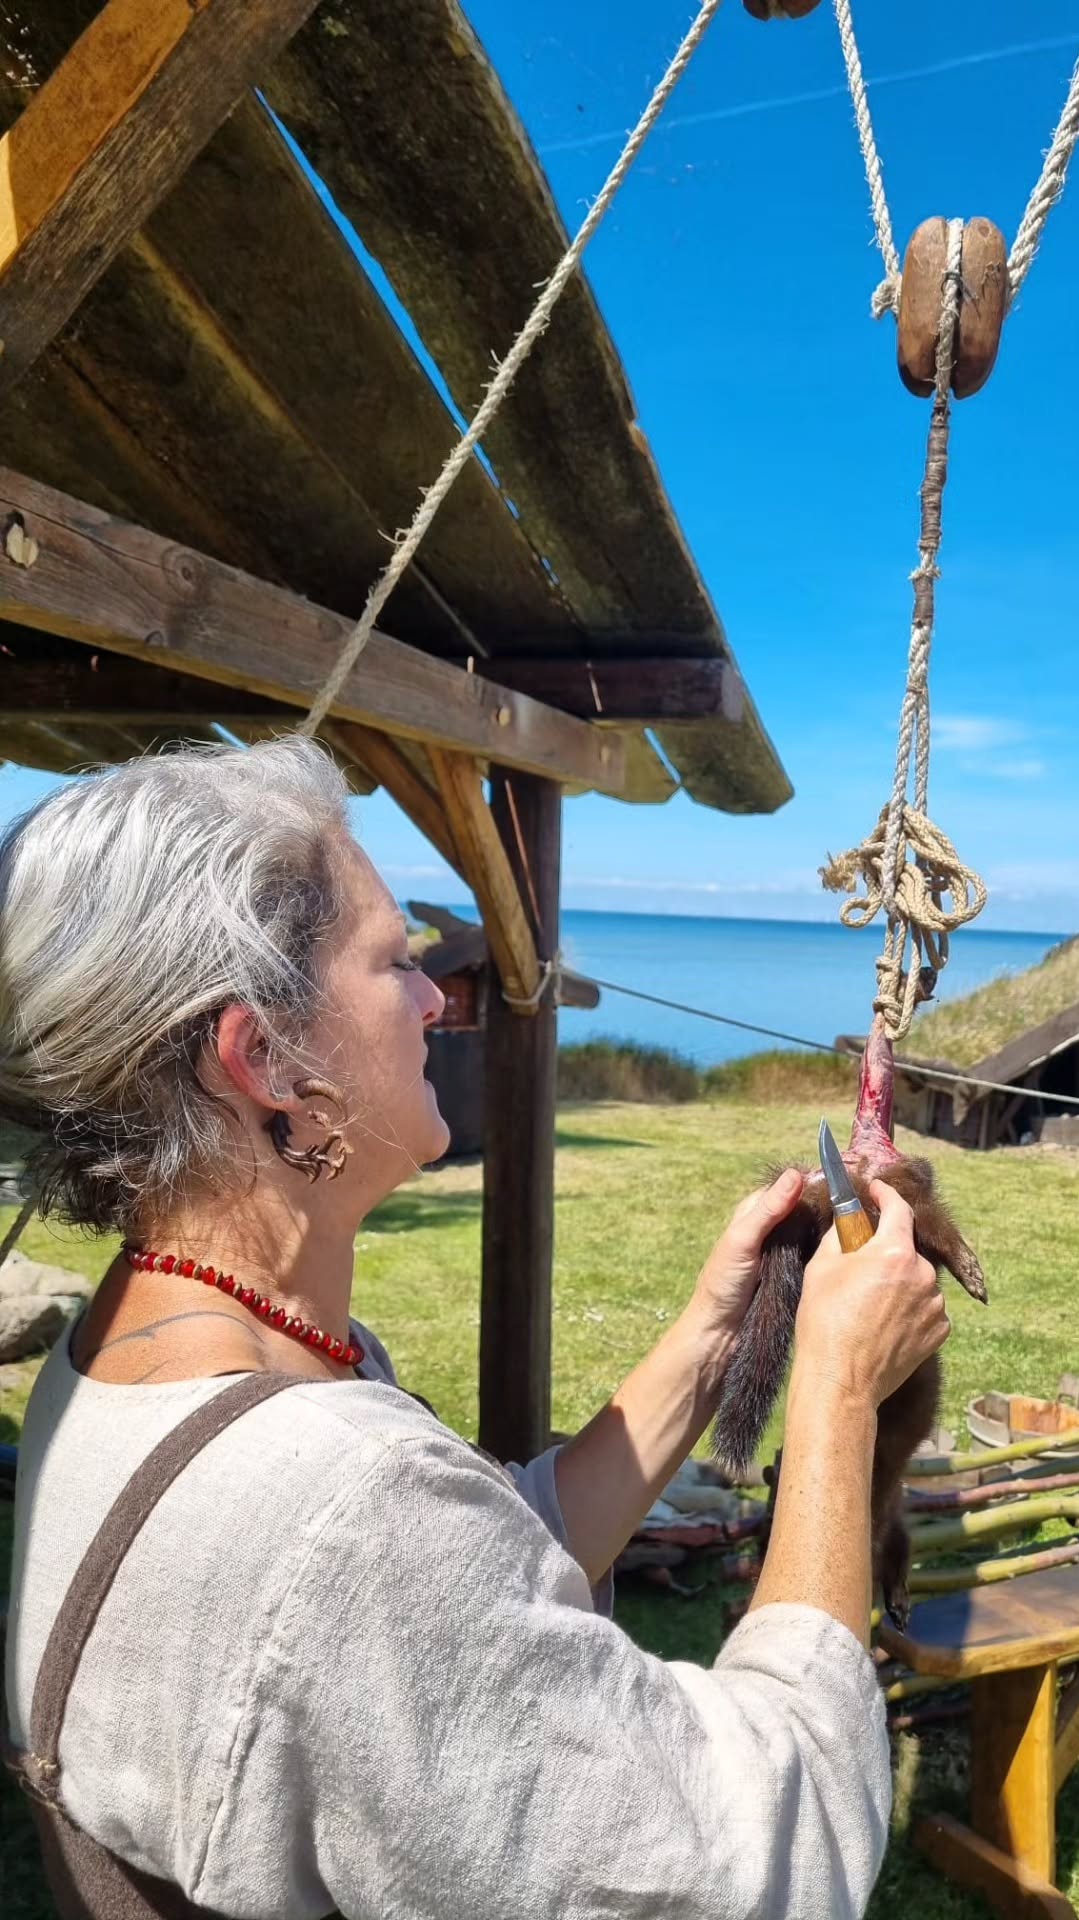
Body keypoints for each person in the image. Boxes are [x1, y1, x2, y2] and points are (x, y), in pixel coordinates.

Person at [0, 737, 949, 1920]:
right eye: (393, 961)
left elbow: (489, 1559)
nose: (439, 996)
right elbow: (769, 1858)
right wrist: (838, 1394)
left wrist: (714, 1339)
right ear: (264, 1056)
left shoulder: (138, 1360)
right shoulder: (342, 1511)